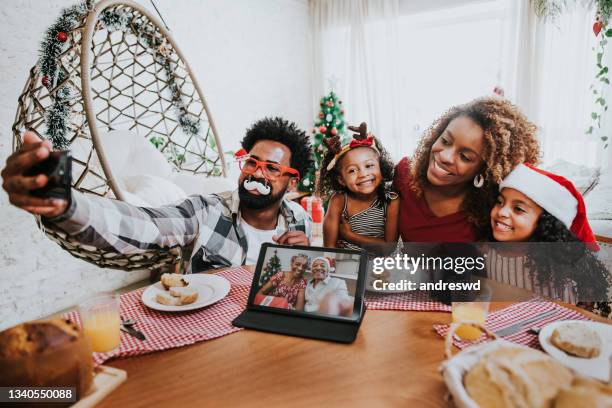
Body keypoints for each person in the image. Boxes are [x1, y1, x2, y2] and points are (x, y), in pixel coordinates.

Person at [1, 117, 314, 271]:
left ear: (291, 183)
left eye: (272, 168)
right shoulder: (204, 211)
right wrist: (65, 206)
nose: (257, 173)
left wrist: (303, 258)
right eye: (252, 162)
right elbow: (140, 225)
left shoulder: (298, 218)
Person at [394, 97, 541, 242]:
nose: (446, 156)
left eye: (465, 157)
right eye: (445, 141)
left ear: (485, 169)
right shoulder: (404, 172)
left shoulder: (491, 211)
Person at [488, 163, 611, 313]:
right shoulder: (487, 253)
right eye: (500, 202)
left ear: (545, 222)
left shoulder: (560, 266)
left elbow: (573, 315)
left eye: (518, 209)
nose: (502, 212)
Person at [319, 123, 399, 254]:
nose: (363, 174)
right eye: (352, 170)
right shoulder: (338, 201)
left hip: (377, 268)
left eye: (369, 165)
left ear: (381, 167)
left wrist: (349, 236)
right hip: (345, 267)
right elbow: (329, 248)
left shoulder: (391, 200)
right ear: (341, 180)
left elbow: (388, 248)